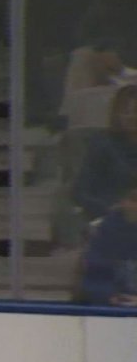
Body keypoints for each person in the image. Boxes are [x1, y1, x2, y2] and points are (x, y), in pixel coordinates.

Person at [73, 85, 137, 222]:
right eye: (126, 112)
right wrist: (110, 209)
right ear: (117, 113)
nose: (131, 117)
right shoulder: (103, 143)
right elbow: (81, 191)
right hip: (112, 217)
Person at [80, 177, 137, 306]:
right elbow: (93, 276)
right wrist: (109, 297)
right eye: (134, 200)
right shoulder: (105, 232)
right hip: (111, 308)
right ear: (122, 201)